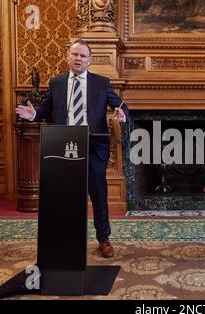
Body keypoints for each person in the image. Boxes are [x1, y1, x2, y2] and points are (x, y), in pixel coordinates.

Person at [15, 39, 129, 258]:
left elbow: (121, 106)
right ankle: (66, 238)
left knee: (98, 194)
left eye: (83, 56)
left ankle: (103, 239)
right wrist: (34, 115)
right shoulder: (56, 83)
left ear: (89, 60)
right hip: (64, 145)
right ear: (68, 56)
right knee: (66, 195)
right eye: (75, 54)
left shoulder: (101, 82)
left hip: (94, 146)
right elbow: (45, 109)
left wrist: (121, 115)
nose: (78, 59)